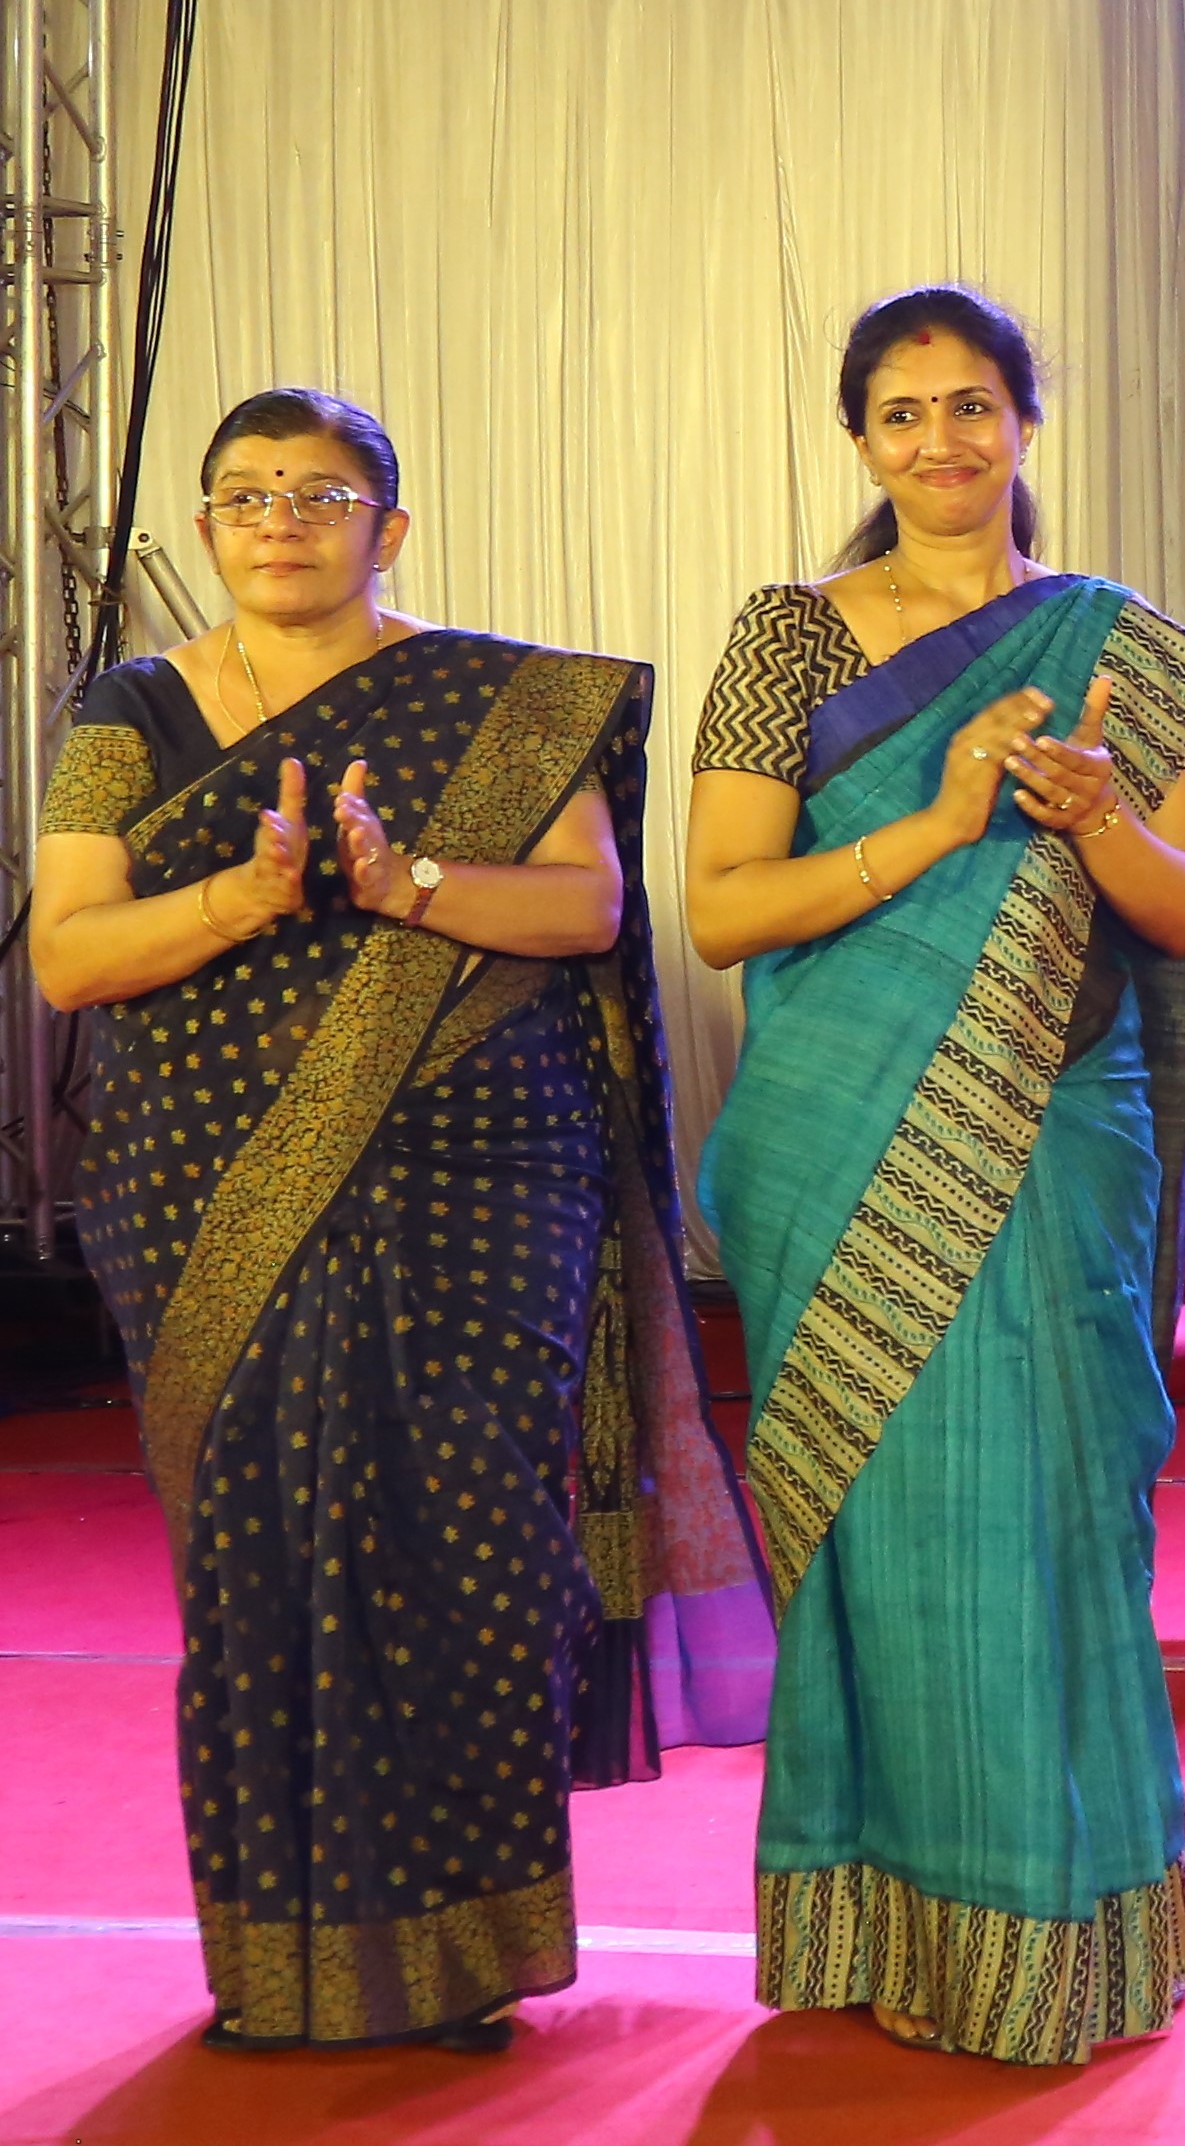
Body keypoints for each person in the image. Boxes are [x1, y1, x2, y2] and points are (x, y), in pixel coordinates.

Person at [35, 388, 765, 2054]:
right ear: (207, 527)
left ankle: (462, 1961)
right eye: (244, 495)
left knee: (471, 1543)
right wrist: (242, 895)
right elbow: (71, 954)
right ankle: (280, 1965)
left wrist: (401, 884)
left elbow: (585, 905)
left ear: (390, 526)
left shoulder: (507, 701)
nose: (277, 521)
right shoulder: (125, 712)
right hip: (210, 1196)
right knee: (260, 1568)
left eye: (317, 492)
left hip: (480, 1184)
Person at [687, 287, 1185, 2064]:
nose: (939, 441)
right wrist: (941, 820)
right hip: (833, 1141)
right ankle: (880, 1914)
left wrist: (1099, 815)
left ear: (1025, 419)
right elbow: (722, 910)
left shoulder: (1121, 649)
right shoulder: (788, 639)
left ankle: (1058, 1924)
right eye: (903, 413)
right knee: (880, 1534)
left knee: (1056, 1519)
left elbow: (1183, 913)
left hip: (1054, 1128)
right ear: (861, 441)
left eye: (971, 405)